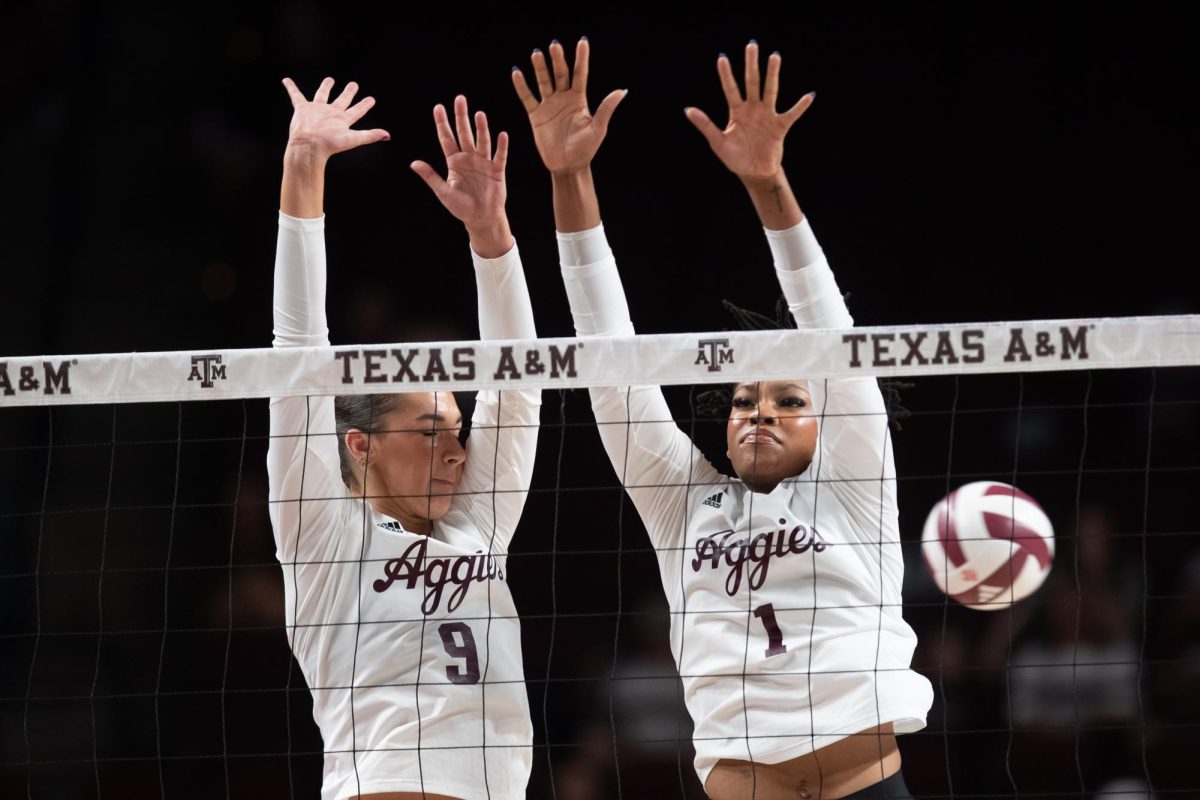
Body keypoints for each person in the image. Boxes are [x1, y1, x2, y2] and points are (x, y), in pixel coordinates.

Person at [513, 40, 933, 799]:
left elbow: (829, 330)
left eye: (788, 401)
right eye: (743, 401)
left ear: (825, 422)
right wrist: (568, 177)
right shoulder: (685, 503)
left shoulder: (855, 485)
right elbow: (610, 366)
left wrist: (769, 186)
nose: (759, 412)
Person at [268, 77, 539, 800]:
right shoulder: (324, 536)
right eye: (428, 432)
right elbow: (296, 355)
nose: (456, 450)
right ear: (360, 446)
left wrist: (492, 236)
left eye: (457, 431)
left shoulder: (476, 526)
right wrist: (303, 170)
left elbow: (518, 385)